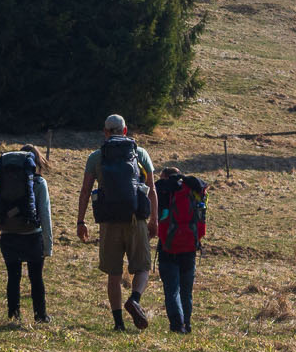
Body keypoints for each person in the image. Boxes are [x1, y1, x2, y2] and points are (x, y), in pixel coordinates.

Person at [75, 115, 157, 330]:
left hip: (108, 222)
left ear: (106, 132)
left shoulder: (96, 157)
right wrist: (154, 219)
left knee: (114, 273)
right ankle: (135, 299)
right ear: (125, 130)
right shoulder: (140, 154)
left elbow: (85, 192)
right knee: (143, 267)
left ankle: (118, 323)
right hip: (135, 219)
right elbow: (152, 190)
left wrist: (81, 221)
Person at [0, 145, 53, 324]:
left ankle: (13, 314)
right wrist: (48, 246)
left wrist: (2, 225)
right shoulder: (40, 183)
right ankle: (41, 316)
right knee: (36, 278)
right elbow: (45, 215)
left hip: (9, 236)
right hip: (33, 236)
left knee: (13, 276)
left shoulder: (3, 181)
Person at [153, 165, 207, 333]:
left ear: (166, 177)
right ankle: (188, 324)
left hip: (168, 247)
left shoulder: (164, 191)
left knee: (172, 290)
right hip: (190, 246)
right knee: (186, 291)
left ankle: (177, 326)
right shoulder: (194, 189)